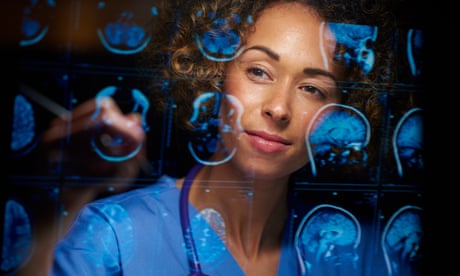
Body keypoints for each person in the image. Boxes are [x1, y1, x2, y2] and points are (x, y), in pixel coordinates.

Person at [44, 0, 403, 275]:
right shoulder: (111, 238)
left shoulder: (365, 252)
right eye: (259, 71)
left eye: (312, 88)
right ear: (213, 73)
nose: (279, 109)